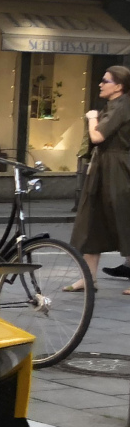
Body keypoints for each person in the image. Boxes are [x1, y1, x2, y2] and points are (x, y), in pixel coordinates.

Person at [69, 65, 130, 294]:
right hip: (103, 167)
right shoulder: (114, 105)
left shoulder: (122, 105)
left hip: (118, 169)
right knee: (91, 220)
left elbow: (98, 136)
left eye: (106, 81)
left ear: (119, 86)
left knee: (123, 218)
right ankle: (88, 277)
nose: (100, 84)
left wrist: (92, 118)